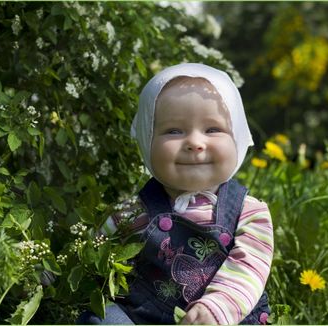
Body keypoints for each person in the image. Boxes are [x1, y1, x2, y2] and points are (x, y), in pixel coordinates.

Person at [77, 63, 273, 325]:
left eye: (212, 129)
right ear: (148, 140)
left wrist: (217, 308)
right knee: (102, 317)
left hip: (223, 318)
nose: (194, 143)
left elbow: (249, 267)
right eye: (173, 131)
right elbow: (91, 252)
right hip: (144, 317)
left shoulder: (249, 213)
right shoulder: (135, 212)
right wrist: (48, 275)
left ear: (236, 136)